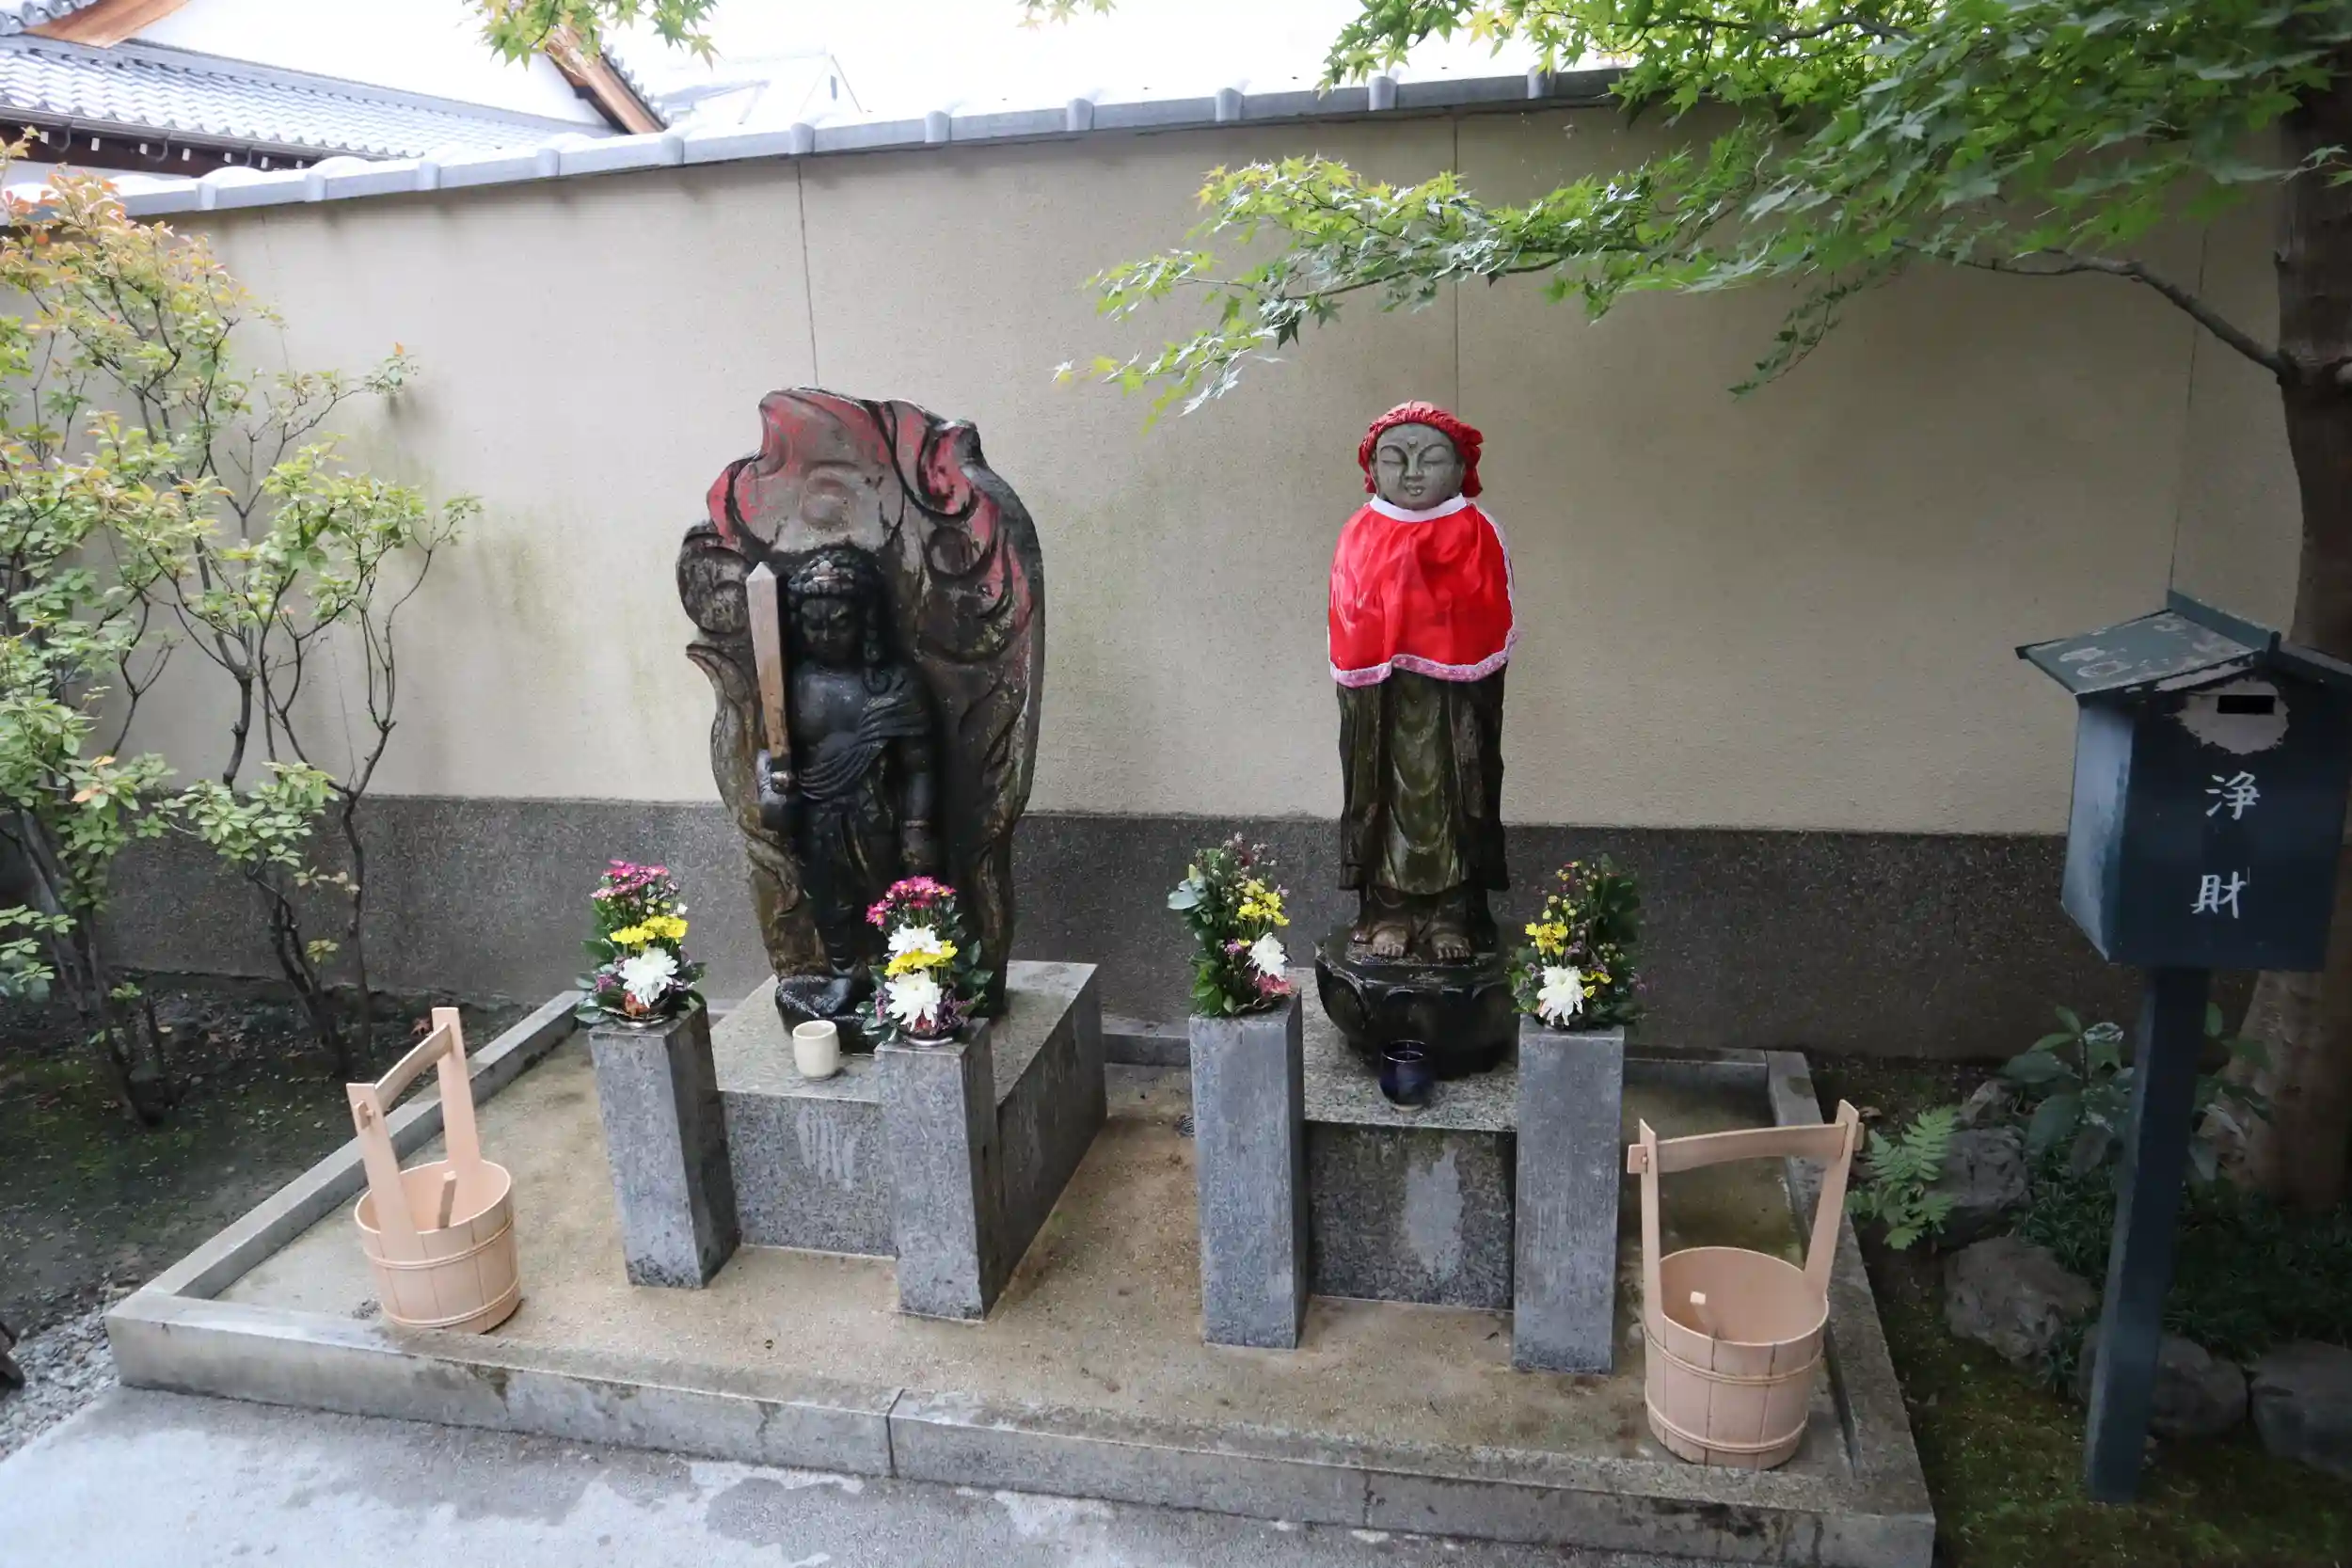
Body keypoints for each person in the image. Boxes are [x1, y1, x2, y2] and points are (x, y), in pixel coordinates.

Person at [1327, 402, 1514, 963]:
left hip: (1451, 702)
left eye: (1429, 459)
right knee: (1379, 792)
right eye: (1396, 459)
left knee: (1456, 792)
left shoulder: (1475, 532)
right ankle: (1390, 910)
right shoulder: (1361, 532)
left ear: (1459, 469)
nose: (1412, 474)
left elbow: (1484, 617)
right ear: (1372, 469)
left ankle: (1451, 914)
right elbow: (1351, 613)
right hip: (1382, 700)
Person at [756, 545, 939, 1037]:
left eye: (839, 624)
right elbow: (770, 748)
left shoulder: (893, 686)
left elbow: (919, 765)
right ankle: (845, 973)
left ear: (866, 621)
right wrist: (774, 786)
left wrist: (917, 828)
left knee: (884, 897)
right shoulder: (793, 684)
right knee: (829, 901)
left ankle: (899, 975)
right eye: (813, 626)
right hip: (817, 813)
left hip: (875, 812)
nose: (825, 636)